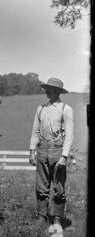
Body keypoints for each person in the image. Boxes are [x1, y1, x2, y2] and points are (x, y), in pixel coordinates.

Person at [29, 78, 74, 227]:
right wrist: (32, 151)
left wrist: (64, 156)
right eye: (47, 88)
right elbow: (35, 131)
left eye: (50, 89)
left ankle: (57, 219)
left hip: (58, 150)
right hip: (42, 149)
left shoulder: (65, 109)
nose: (47, 91)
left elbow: (70, 134)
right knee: (41, 185)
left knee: (58, 187)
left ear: (57, 92)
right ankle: (41, 216)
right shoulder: (40, 108)